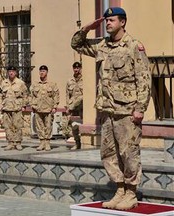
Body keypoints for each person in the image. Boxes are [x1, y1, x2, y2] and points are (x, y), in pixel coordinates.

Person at [71, 7, 151, 210]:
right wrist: (86, 28)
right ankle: (120, 190)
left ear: (122, 22)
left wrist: (140, 108)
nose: (107, 23)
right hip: (107, 110)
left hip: (127, 111)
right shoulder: (102, 46)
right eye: (106, 20)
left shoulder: (134, 46)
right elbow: (76, 44)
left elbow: (144, 79)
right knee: (108, 153)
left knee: (129, 152)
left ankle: (131, 193)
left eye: (112, 20)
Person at [0, 66, 28, 151]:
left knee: (18, 126)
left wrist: (24, 105)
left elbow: (25, 95)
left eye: (13, 71)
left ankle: (18, 143)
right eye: (9, 71)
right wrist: (0, 105)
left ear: (16, 73)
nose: (11, 73)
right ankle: (10, 143)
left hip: (17, 108)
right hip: (6, 108)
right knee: (7, 126)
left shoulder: (20, 83)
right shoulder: (3, 83)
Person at [29, 65, 60, 151]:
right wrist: (32, 105)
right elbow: (30, 96)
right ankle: (42, 142)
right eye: (40, 71)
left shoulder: (52, 84)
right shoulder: (35, 84)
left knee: (48, 126)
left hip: (48, 109)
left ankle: (47, 143)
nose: (42, 73)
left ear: (47, 72)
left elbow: (56, 96)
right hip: (38, 109)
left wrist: (55, 107)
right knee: (39, 127)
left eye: (44, 71)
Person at [65, 61, 83, 150]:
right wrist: (68, 107)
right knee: (73, 126)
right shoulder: (69, 81)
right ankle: (77, 143)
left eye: (78, 68)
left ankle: (83, 143)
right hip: (72, 108)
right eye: (75, 68)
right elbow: (67, 95)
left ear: (80, 69)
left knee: (82, 125)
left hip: (82, 108)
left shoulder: (85, 80)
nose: (76, 69)